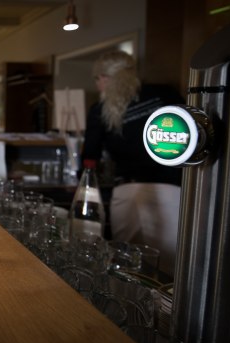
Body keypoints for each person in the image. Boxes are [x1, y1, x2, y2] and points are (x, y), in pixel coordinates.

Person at [81, 50, 184, 276]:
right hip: (173, 189)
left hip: (128, 190)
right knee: (172, 268)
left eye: (97, 79)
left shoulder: (100, 110)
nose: (98, 85)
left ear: (105, 78)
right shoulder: (164, 94)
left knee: (127, 267)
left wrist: (84, 189)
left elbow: (90, 156)